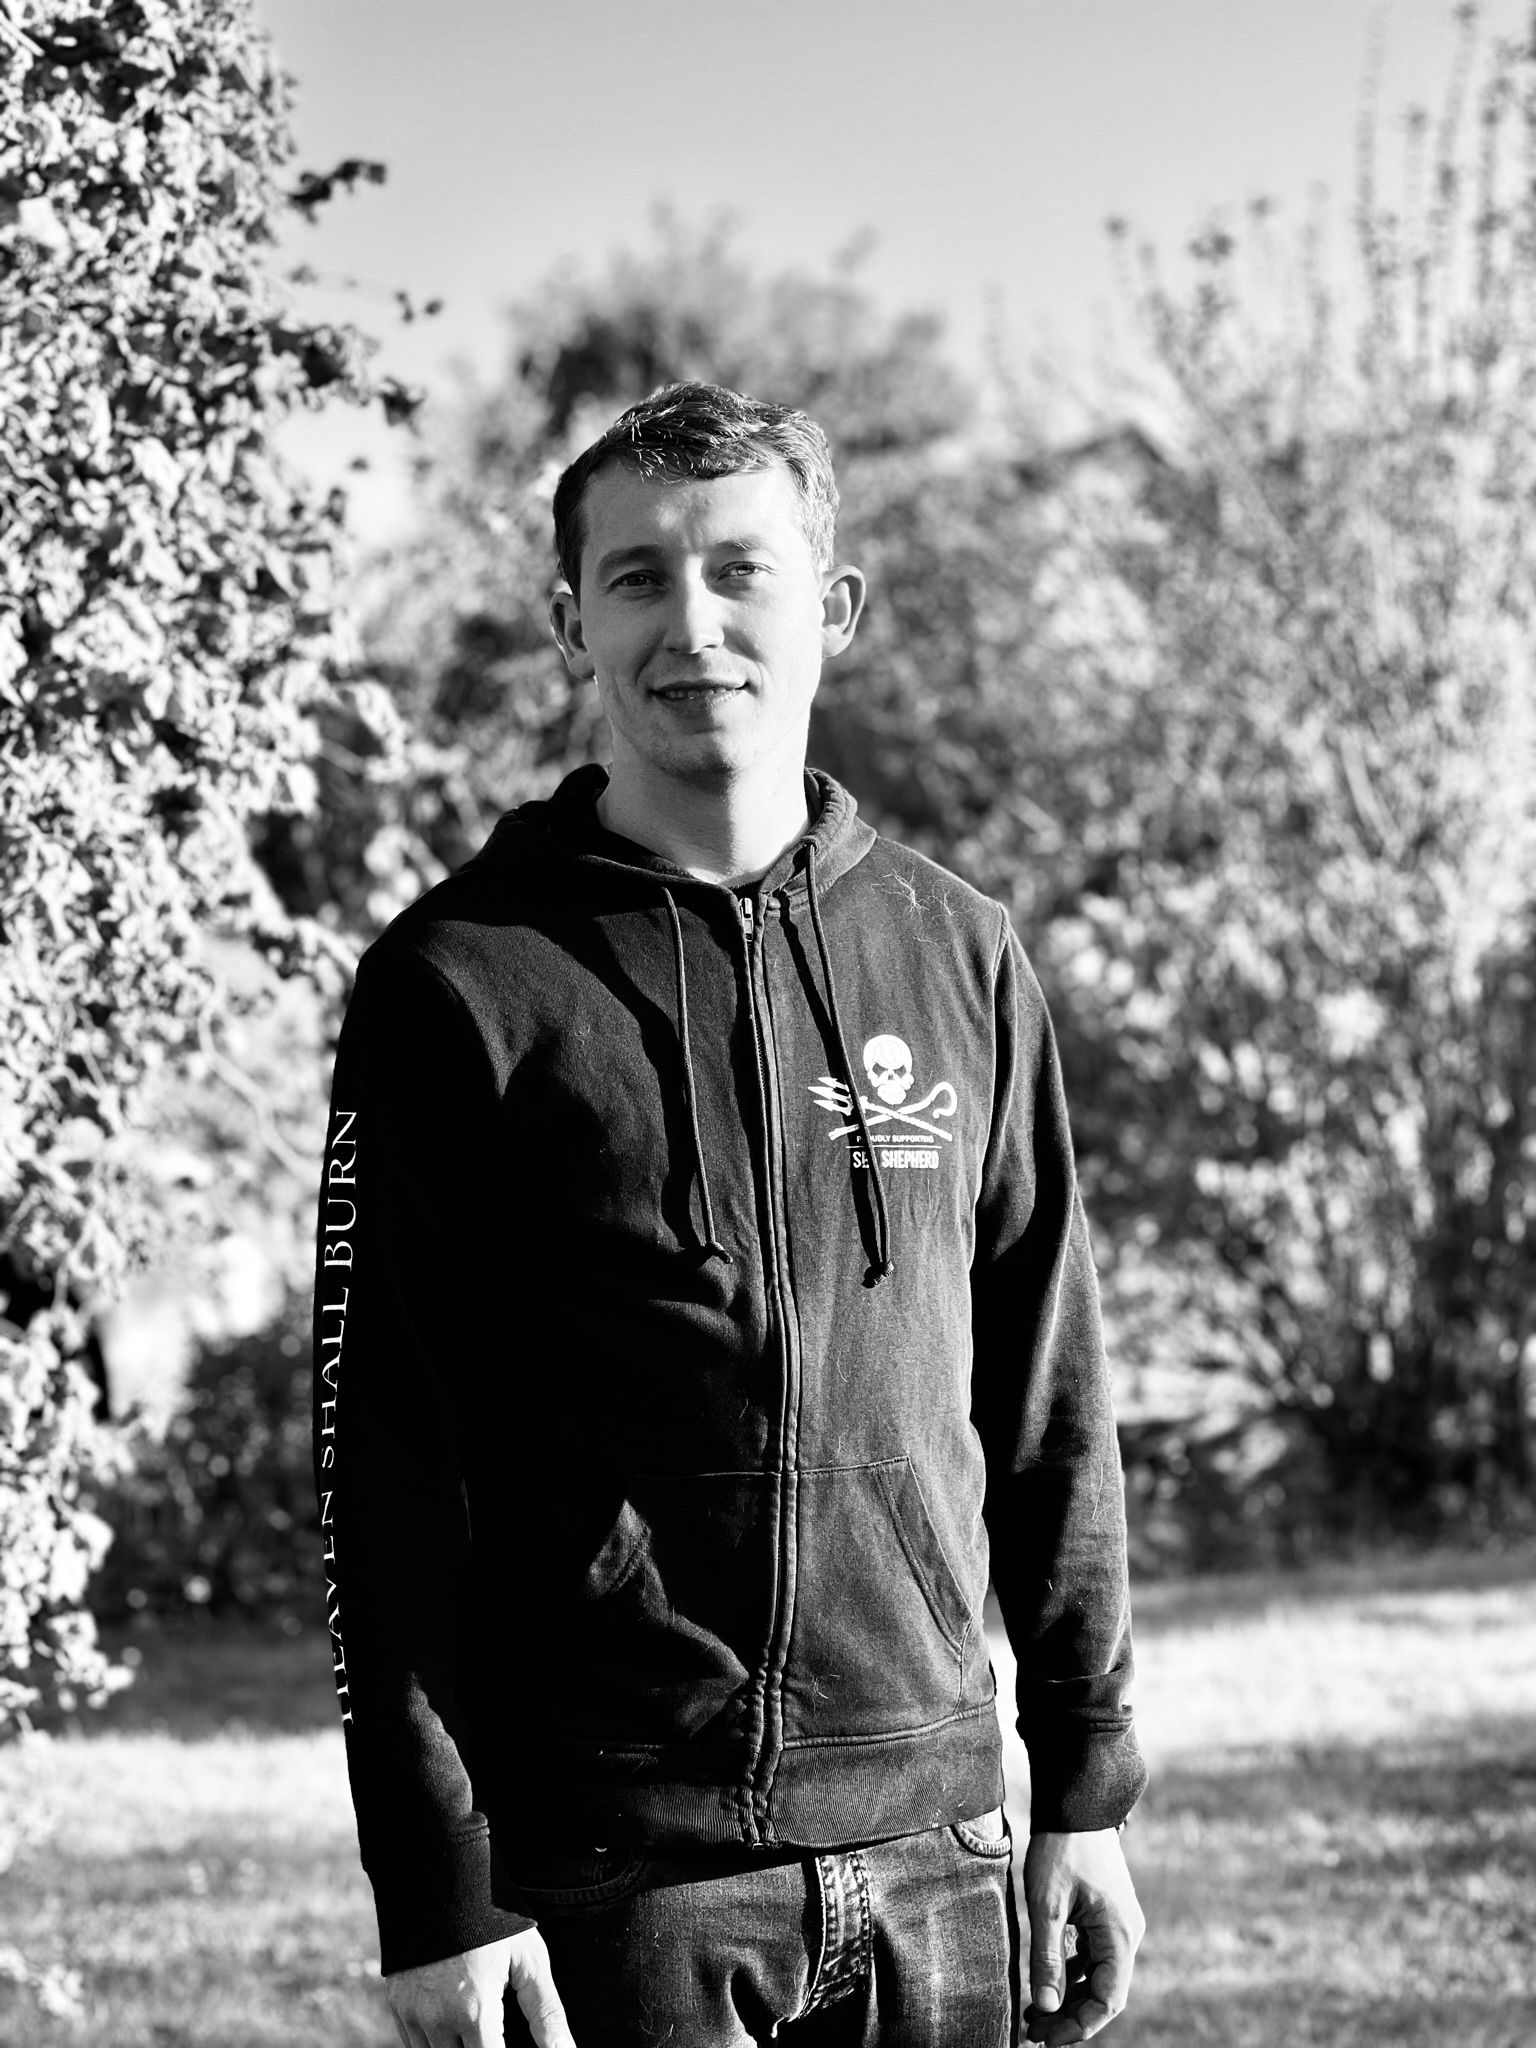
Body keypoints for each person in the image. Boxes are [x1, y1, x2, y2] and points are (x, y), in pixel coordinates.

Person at [313, 381, 1147, 2048]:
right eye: (637, 577)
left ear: (831, 606)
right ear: (573, 623)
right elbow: (382, 1460)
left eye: (738, 569)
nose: (691, 624)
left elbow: (1048, 1394)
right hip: (617, 1867)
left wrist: (1084, 1783)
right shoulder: (461, 983)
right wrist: (439, 1886)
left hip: (942, 1846)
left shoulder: (961, 955)